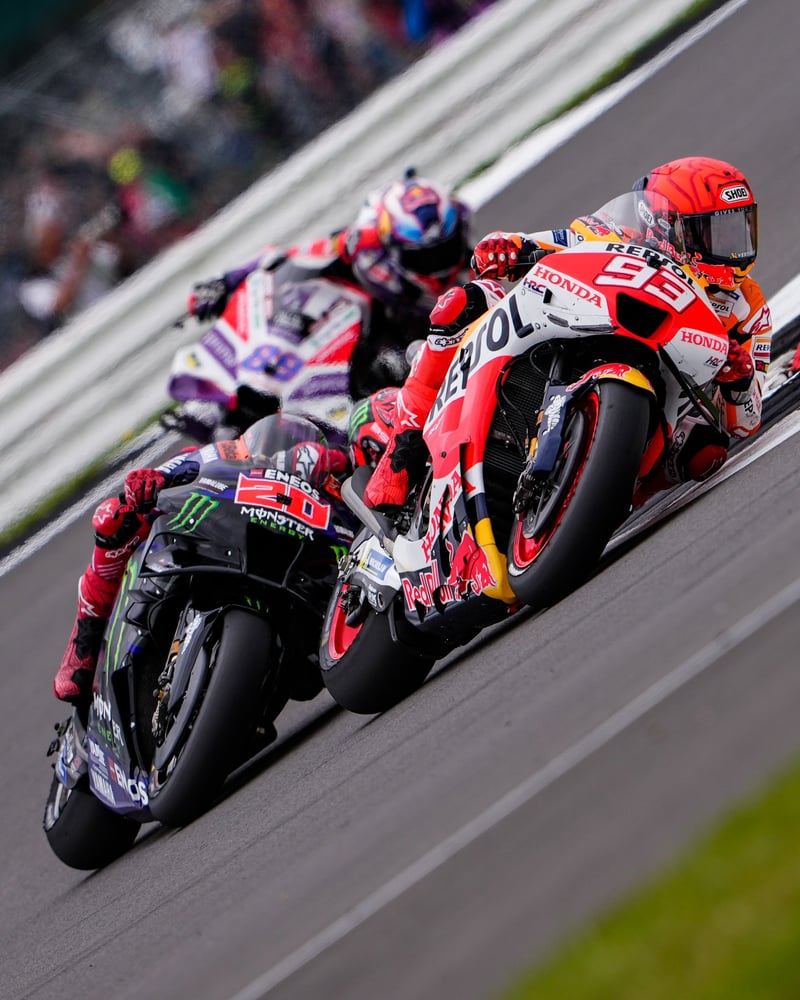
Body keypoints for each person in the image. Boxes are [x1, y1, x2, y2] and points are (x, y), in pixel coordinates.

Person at [363, 156, 772, 510]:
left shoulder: (747, 308)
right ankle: (402, 450)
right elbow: (549, 242)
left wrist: (739, 382)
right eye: (717, 233)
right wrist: (508, 248)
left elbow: (746, 423)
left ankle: (602, 499)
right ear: (670, 226)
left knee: (705, 451)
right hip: (583, 328)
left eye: (741, 230)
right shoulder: (617, 233)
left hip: (664, 399)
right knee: (464, 302)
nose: (734, 249)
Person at [54, 416, 348, 707]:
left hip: (296, 599)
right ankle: (82, 646)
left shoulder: (333, 495)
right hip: (217, 544)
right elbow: (163, 474)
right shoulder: (223, 454)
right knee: (114, 518)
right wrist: (148, 483)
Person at [187, 169, 472, 405]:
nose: (439, 264)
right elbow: (285, 256)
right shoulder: (355, 247)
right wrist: (225, 282)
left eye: (446, 249)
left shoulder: (469, 270)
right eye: (424, 256)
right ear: (389, 250)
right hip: (337, 372)